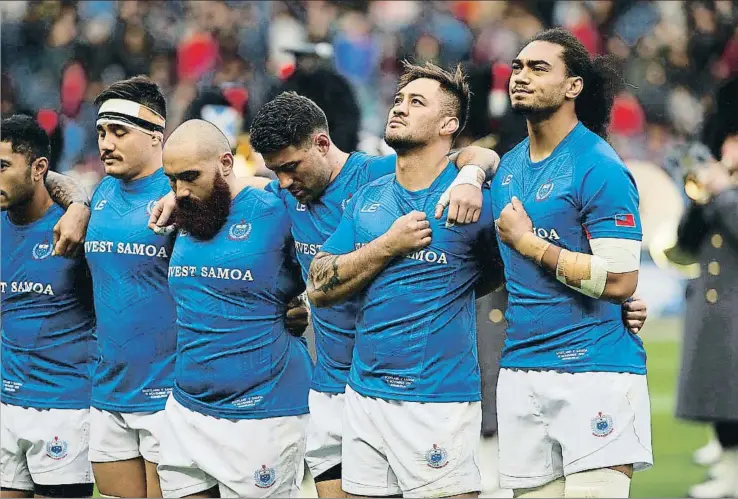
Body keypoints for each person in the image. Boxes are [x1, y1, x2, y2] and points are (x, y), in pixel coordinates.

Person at [150, 90, 500, 498]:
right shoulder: (285, 194)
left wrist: (471, 177)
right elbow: (238, 188)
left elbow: (475, 157)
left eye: (292, 167)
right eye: (276, 170)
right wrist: (177, 194)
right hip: (331, 389)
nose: (284, 181)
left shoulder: (379, 176)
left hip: (405, 385)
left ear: (321, 144)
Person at [307, 61, 504, 499]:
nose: (400, 108)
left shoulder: (473, 199)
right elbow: (318, 288)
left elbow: (513, 272)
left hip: (438, 401)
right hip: (363, 396)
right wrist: (387, 247)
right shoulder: (367, 199)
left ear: (448, 124)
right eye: (398, 99)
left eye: (417, 102)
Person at [491, 28, 652, 498]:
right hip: (521, 370)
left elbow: (621, 279)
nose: (521, 77)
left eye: (539, 68)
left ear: (573, 86)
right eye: (518, 67)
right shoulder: (506, 168)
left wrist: (530, 243)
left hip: (595, 370)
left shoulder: (598, 165)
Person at [156, 120, 313, 498]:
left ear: (226, 163)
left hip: (263, 412)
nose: (181, 190)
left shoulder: (277, 207)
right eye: (172, 179)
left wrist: (304, 302)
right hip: (187, 409)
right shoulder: (184, 215)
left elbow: (325, 265)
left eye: (190, 176)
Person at [0, 115, 96, 498]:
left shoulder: (78, 229)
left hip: (65, 407)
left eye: (3, 166)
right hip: (7, 402)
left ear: (39, 168)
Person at [675, 75, 738, 499]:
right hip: (712, 304)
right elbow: (684, 243)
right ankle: (730, 473)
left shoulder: (728, 193)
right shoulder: (717, 189)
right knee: (719, 396)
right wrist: (701, 201)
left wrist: (727, 194)